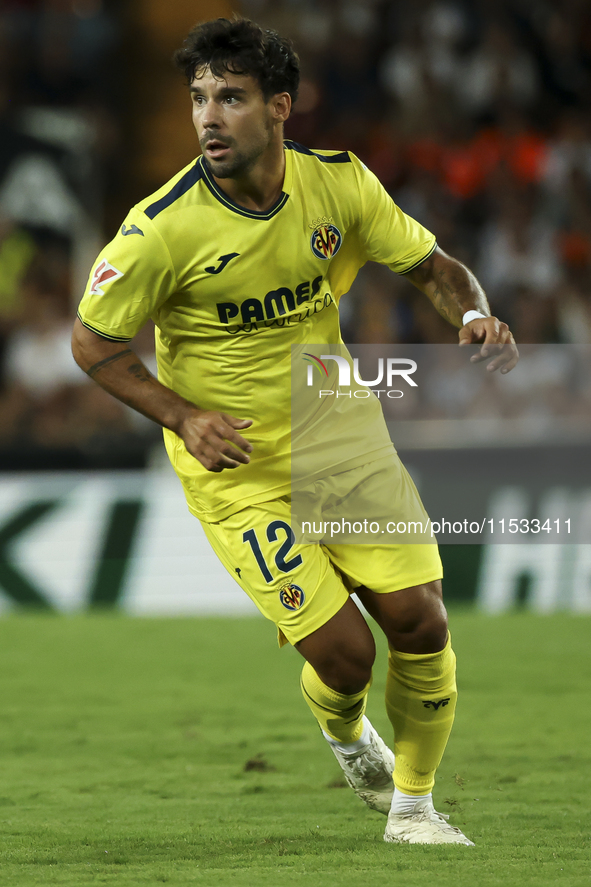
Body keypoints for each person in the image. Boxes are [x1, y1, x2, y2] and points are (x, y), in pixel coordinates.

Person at [71, 17, 518, 846]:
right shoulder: (159, 229)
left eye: (230, 98)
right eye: (199, 97)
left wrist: (476, 315)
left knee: (419, 617)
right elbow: (92, 341)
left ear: (280, 107)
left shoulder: (339, 185)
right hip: (235, 465)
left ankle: (413, 810)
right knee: (345, 656)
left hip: (334, 428)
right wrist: (183, 415)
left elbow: (432, 265)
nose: (208, 116)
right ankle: (346, 731)